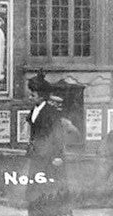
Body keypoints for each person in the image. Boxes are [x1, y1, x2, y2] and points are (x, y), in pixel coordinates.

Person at [25, 75, 79, 216]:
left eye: (33, 94)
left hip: (50, 158)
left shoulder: (51, 113)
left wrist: (58, 156)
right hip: (38, 156)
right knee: (35, 190)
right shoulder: (34, 110)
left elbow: (58, 135)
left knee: (51, 191)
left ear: (42, 96)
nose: (30, 97)